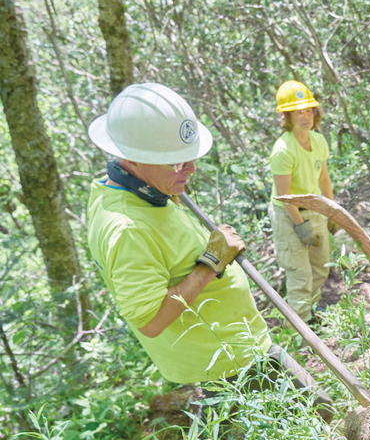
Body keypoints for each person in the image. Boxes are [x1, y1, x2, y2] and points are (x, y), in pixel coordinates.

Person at [85, 82, 328, 400]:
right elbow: (151, 321)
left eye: (189, 157)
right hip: (222, 369)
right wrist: (212, 261)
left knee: (323, 410)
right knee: (315, 423)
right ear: (133, 158)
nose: (192, 169)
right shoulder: (127, 229)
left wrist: (169, 184)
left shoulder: (144, 189)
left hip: (246, 344)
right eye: (177, 162)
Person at [269, 80, 336, 323]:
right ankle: (301, 331)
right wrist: (300, 225)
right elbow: (285, 197)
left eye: (308, 110)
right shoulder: (283, 151)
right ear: (287, 116)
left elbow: (324, 179)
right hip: (289, 216)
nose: (305, 116)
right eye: (298, 112)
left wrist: (332, 212)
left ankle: (312, 313)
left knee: (321, 266)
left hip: (315, 208)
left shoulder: (318, 141)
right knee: (300, 274)